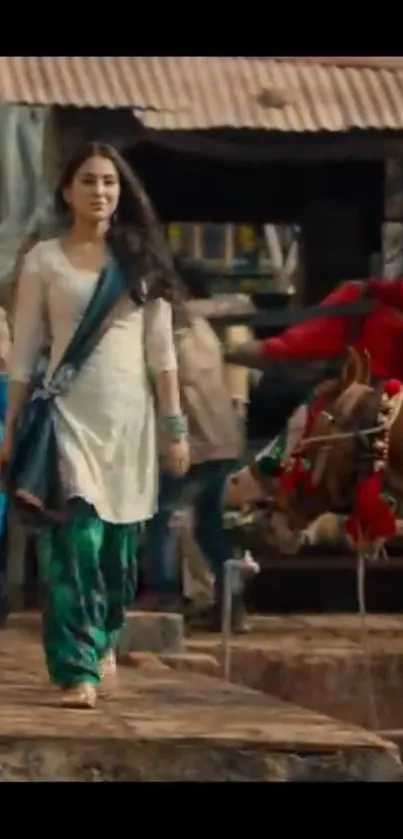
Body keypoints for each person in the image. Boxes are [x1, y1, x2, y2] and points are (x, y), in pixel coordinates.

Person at [1, 141, 189, 709]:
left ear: (121, 190)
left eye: (109, 181)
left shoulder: (142, 262)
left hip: (129, 425)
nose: (100, 191)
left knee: (117, 554)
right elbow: (27, 352)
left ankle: (104, 634)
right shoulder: (45, 261)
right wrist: (9, 426)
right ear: (67, 192)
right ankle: (76, 666)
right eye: (88, 181)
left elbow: (161, 354)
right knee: (74, 539)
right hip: (67, 418)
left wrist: (175, 427)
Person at [140, 257, 255, 632]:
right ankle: (232, 604)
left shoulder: (173, 324)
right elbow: (238, 303)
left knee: (161, 514)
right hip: (223, 441)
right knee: (208, 528)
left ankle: (165, 591)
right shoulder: (205, 324)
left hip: (198, 441)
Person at [223, 277, 403, 509]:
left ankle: (261, 482)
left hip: (371, 396)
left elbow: (299, 344)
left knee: (313, 417)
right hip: (365, 392)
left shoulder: (367, 303)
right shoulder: (368, 300)